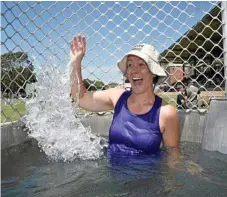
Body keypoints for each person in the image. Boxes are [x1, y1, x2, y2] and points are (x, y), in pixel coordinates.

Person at [70, 35, 180, 160]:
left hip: (147, 178)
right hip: (112, 176)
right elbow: (80, 98)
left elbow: (173, 158)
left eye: (141, 65)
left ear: (153, 72)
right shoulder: (117, 97)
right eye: (130, 65)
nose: (134, 70)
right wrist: (76, 63)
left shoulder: (166, 113)